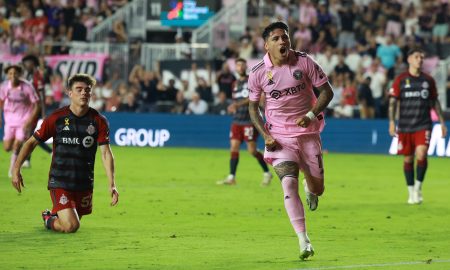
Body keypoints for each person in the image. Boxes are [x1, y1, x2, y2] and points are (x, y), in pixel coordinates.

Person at [247, 22, 334, 260]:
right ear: (267, 45)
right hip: (279, 137)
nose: (282, 41)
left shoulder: (305, 62)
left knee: (318, 188)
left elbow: (327, 92)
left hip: (307, 133)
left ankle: (311, 188)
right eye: (276, 39)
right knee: (287, 183)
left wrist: (310, 115)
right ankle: (303, 240)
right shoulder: (257, 73)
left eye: (285, 37)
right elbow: (253, 109)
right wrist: (265, 135)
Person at [11, 73, 119, 233]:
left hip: (83, 181)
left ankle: (54, 214)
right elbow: (31, 142)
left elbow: (105, 153)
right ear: (70, 93)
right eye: (79, 89)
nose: (84, 93)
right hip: (60, 180)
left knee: (74, 218)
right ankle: (48, 218)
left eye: (87, 90)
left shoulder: (98, 121)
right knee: (71, 226)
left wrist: (112, 184)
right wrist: (16, 169)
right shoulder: (57, 118)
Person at [388, 47, 447, 205]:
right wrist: (392, 122)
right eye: (416, 56)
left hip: (423, 124)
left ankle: (418, 188)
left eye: (421, 57)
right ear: (409, 60)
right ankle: (410, 191)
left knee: (421, 154)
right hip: (406, 125)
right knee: (408, 158)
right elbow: (393, 102)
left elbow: (435, 101)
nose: (420, 59)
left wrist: (442, 123)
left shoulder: (428, 80)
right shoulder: (400, 80)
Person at [216, 58, 273, 186]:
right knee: (234, 147)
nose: (240, 67)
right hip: (237, 120)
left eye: (242, 65)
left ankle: (267, 173)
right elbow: (237, 100)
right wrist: (233, 106)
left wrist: (237, 104)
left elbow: (254, 97)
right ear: (235, 68)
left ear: (245, 67)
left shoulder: (251, 80)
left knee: (252, 151)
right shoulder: (234, 84)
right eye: (237, 65)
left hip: (249, 120)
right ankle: (231, 177)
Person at [0, 65, 40, 178]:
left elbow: (37, 104)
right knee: (7, 147)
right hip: (9, 120)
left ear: (19, 74)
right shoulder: (4, 87)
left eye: (15, 73)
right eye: (10, 73)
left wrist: (29, 121)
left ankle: (12, 169)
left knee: (17, 144)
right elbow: (1, 101)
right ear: (7, 75)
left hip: (23, 120)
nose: (13, 76)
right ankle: (15, 151)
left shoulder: (27, 87)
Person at [22, 54, 53, 167]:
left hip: (36, 109)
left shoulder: (37, 77)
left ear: (33, 64)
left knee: (30, 135)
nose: (26, 65)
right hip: (29, 109)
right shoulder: (28, 76)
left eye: (28, 63)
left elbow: (42, 95)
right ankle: (27, 160)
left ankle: (49, 152)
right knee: (30, 135)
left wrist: (44, 113)